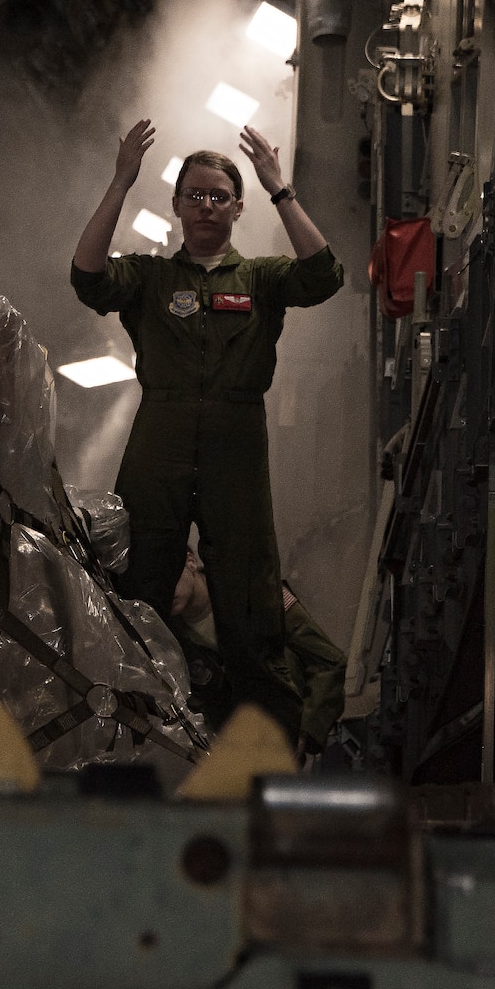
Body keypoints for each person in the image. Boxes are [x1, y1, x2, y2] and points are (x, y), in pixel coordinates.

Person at [71, 119, 346, 742]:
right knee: (138, 586)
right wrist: (119, 181)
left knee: (249, 600)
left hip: (236, 440)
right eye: (194, 194)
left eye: (219, 195)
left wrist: (282, 188)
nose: (206, 205)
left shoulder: (263, 279)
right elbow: (86, 279)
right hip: (158, 435)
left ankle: (263, 753)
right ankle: (129, 740)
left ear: (237, 207)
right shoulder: (149, 278)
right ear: (174, 204)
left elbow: (325, 275)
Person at [172, 548, 347, 753]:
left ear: (190, 561)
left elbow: (329, 662)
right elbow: (200, 705)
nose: (163, 589)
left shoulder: (255, 594)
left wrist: (304, 733)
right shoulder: (169, 635)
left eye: (165, 575)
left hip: (286, 725)